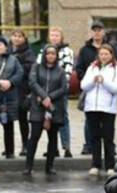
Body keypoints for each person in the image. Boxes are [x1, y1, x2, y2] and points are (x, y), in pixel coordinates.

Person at [23, 45, 68, 176]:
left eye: (53, 53)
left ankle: (50, 166)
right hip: (37, 106)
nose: (50, 56)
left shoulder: (60, 71)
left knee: (53, 138)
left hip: (54, 107)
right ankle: (28, 166)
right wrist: (43, 96)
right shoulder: (36, 68)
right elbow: (32, 83)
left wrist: (49, 98)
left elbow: (63, 88)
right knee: (34, 136)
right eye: (48, 53)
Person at [81, 44, 117, 176]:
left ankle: (110, 165)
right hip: (91, 107)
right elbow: (83, 86)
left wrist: (104, 81)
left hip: (108, 108)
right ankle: (95, 164)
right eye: (101, 54)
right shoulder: (92, 67)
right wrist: (93, 81)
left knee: (108, 137)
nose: (104, 57)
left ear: (111, 55)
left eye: (106, 54)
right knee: (94, 137)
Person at [41, 26, 75, 158]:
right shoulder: (44, 50)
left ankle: (66, 147)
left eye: (57, 35)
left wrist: (58, 88)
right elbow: (40, 68)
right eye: (52, 35)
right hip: (46, 91)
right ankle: (52, 148)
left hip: (60, 90)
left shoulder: (67, 51)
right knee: (48, 118)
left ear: (61, 37)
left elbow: (67, 72)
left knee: (63, 118)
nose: (54, 37)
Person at [75, 20, 108, 156]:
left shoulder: (109, 48)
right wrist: (87, 80)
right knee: (89, 119)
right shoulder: (85, 50)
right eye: (94, 30)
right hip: (90, 88)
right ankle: (89, 144)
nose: (97, 32)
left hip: (106, 88)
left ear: (103, 31)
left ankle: (106, 145)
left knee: (105, 120)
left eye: (99, 30)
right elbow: (79, 68)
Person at [0, 36, 24, 160]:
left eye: (1, 44)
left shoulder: (13, 59)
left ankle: (9, 152)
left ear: (6, 47)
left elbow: (20, 73)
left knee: (9, 126)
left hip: (8, 98)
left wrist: (10, 82)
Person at [9, 29, 35, 158]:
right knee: (7, 119)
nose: (17, 38)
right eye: (15, 36)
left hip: (22, 89)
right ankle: (9, 147)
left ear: (24, 38)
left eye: (20, 36)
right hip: (8, 90)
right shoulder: (7, 50)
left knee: (22, 119)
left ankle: (25, 145)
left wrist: (16, 63)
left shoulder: (28, 52)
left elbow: (30, 69)